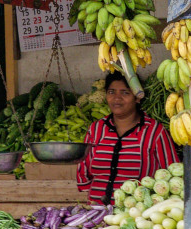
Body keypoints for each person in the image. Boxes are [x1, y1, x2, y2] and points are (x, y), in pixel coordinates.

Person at [76, 72, 179, 205]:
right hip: (96, 213)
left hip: (136, 215)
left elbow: (173, 173)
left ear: (137, 97)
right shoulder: (96, 129)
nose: (116, 98)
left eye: (125, 93)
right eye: (111, 92)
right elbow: (83, 170)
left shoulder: (154, 131)